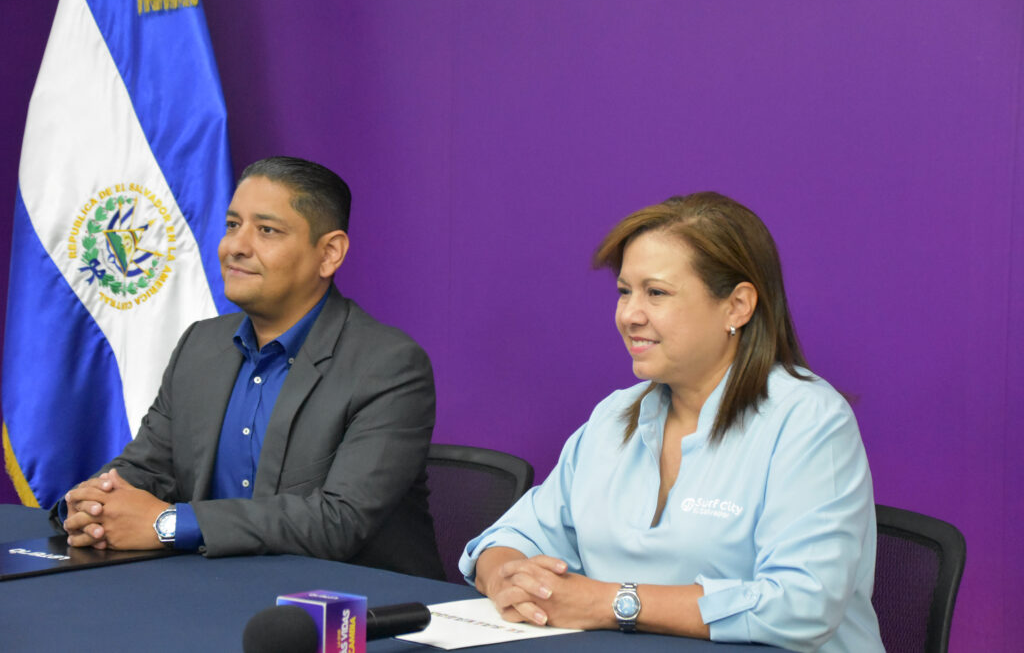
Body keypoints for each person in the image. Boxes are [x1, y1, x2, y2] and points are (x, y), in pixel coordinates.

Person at [460, 192, 884, 652]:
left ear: (737, 306)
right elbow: (509, 538)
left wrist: (608, 602)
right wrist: (508, 578)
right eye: (624, 291)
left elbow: (801, 605)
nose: (629, 315)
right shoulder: (613, 417)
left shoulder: (810, 421)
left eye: (656, 293)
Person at [55, 156, 444, 580]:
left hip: (349, 603)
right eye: (232, 225)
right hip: (211, 590)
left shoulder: (388, 366)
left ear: (329, 253)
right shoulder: (200, 345)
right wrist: (89, 505)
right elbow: (148, 468)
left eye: (266, 230)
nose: (235, 247)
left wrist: (168, 524)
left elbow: (338, 520)